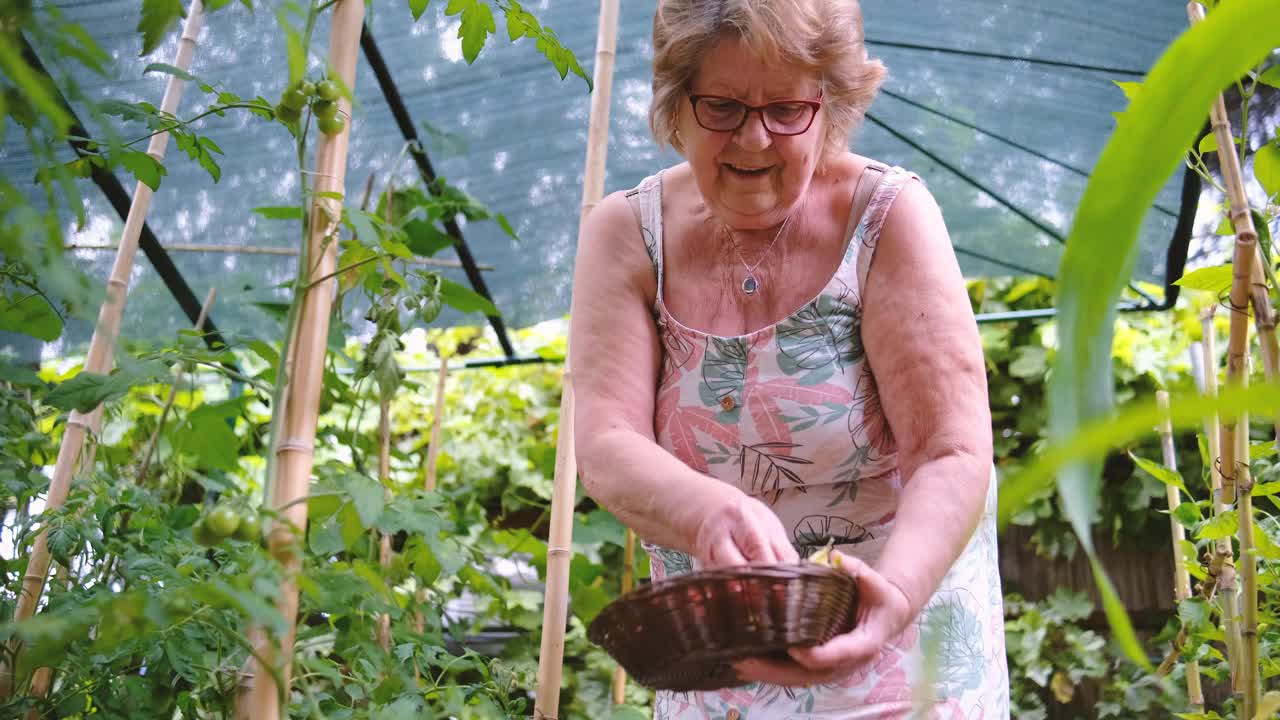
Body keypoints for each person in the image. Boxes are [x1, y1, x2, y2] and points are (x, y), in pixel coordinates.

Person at [568, 0, 1009, 717]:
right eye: (723, 106)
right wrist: (708, 512)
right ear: (676, 105)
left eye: (786, 109)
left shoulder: (886, 218)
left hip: (900, 652)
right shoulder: (627, 234)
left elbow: (950, 451)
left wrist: (890, 599)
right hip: (721, 674)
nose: (754, 137)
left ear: (829, 106)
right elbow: (607, 442)